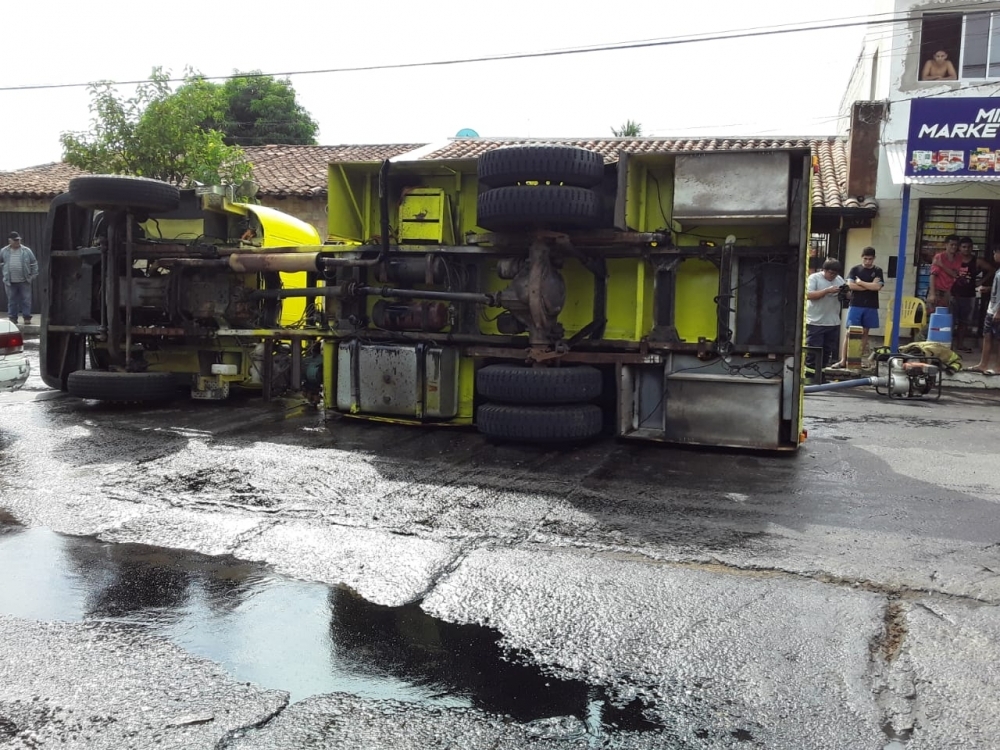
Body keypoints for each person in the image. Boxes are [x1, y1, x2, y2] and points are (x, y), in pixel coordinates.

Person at [830, 246, 884, 367]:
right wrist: (869, 286)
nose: (868, 261)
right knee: (850, 332)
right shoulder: (855, 269)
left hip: (871, 305)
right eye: (865, 259)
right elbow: (850, 286)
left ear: (874, 258)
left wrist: (860, 283)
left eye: (870, 259)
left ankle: (856, 360)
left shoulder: (878, 270)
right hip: (856, 304)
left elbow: (878, 287)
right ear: (862, 257)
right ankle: (843, 360)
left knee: (865, 332)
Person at [805, 258, 846, 375]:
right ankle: (810, 376)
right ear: (824, 270)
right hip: (816, 322)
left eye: (835, 274)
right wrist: (826, 291)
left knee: (826, 352)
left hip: (832, 322)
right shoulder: (814, 278)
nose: (833, 276)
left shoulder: (839, 279)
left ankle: (821, 375)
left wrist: (846, 293)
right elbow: (808, 295)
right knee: (813, 352)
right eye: (831, 273)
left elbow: (846, 296)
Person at [966, 245, 1000, 375]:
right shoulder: (998, 271)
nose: (994, 255)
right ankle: (983, 364)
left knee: (998, 339)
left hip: (997, 310)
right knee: (987, 335)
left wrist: (999, 311)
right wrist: (989, 289)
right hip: (992, 308)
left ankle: (998, 367)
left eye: (995, 252)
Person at [950, 237, 983, 352]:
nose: (966, 249)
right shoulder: (954, 259)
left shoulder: (976, 261)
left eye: (969, 247)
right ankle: (949, 345)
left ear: (972, 248)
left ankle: (960, 345)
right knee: (950, 321)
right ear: (959, 248)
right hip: (953, 294)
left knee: (964, 323)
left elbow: (991, 269)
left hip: (969, 296)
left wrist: (980, 282)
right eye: (964, 247)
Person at [0, 231, 39, 326]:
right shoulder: (4, 251)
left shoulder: (26, 251)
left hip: (24, 280)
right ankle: (13, 318)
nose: (17, 242)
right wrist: (5, 272)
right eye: (15, 240)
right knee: (12, 300)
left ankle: (26, 317)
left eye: (18, 240)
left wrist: (33, 276)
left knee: (26, 300)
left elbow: (34, 263)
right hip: (10, 281)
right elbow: (1, 262)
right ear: (10, 241)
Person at [929, 234, 963, 311]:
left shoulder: (958, 258)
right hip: (937, 290)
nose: (954, 247)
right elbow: (932, 275)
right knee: (934, 313)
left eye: (956, 245)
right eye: (951, 245)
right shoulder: (939, 257)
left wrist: (941, 265)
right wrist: (932, 294)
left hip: (949, 291)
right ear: (946, 245)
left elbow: (955, 274)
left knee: (947, 313)